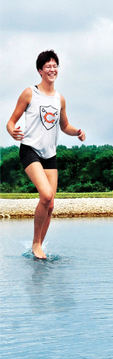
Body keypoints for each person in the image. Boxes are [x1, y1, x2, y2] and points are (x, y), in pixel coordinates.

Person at [6, 50, 86, 259]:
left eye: (55, 66)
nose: (52, 69)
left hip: (50, 154)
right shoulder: (29, 93)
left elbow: (65, 126)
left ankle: (39, 244)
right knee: (46, 194)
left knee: (50, 204)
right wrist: (11, 130)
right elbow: (11, 121)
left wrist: (77, 132)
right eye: (48, 66)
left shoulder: (60, 99)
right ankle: (35, 244)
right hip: (30, 149)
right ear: (40, 70)